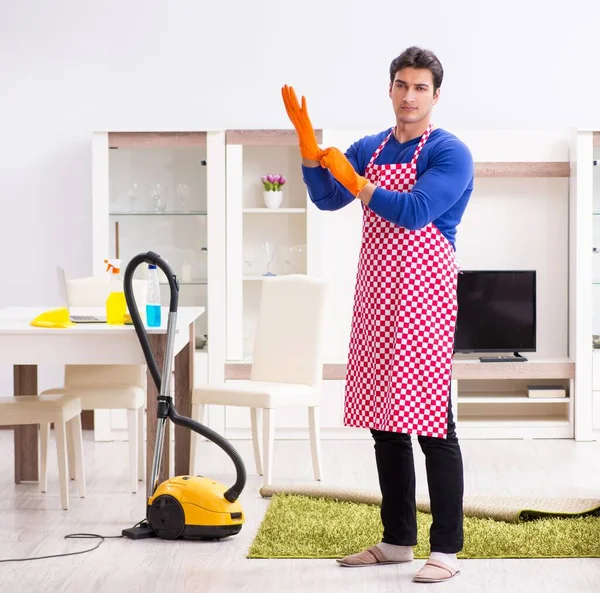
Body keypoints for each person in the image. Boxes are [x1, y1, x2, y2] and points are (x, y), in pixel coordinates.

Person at [281, 46, 474, 584]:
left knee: (433, 425)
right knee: (385, 424)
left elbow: (414, 212)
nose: (408, 95)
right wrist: (308, 150)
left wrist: (359, 181)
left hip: (424, 298)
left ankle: (448, 550)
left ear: (435, 96)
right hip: (375, 295)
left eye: (419, 87)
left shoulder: (450, 153)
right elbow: (325, 198)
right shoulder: (373, 146)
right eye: (401, 85)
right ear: (389, 89)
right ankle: (396, 542)